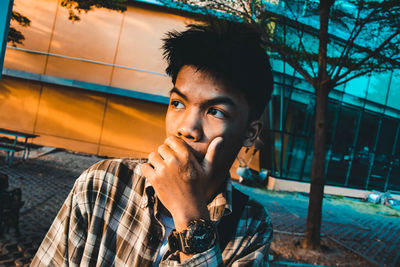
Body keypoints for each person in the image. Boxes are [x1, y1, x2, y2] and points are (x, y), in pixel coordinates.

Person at [31, 20, 274, 266]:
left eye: (215, 111)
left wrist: (190, 217)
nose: (186, 128)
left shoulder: (251, 226)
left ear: (250, 133)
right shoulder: (104, 184)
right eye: (178, 104)